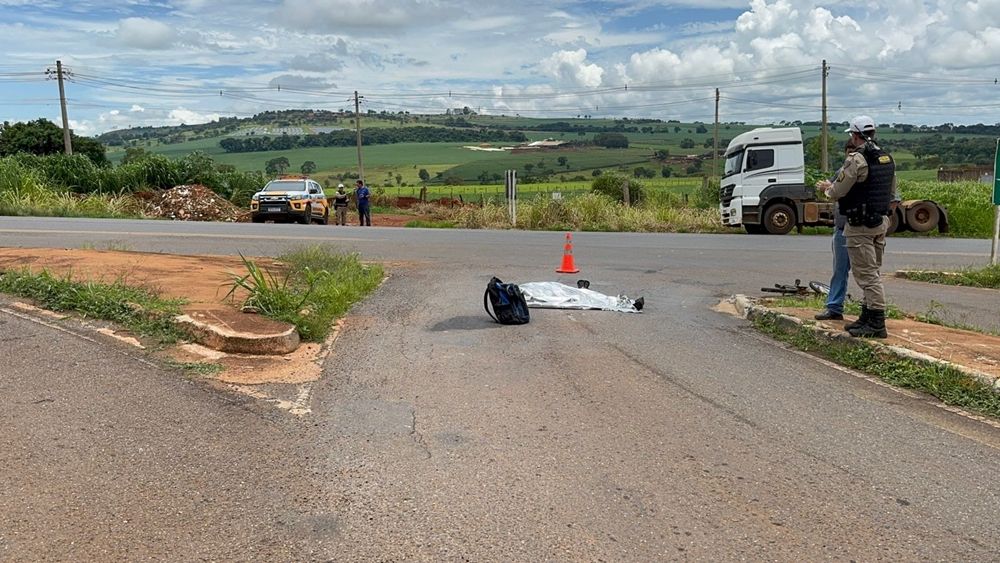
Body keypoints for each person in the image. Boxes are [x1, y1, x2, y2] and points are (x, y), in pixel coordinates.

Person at [816, 115, 896, 338]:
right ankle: (867, 316)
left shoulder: (857, 160)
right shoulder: (886, 159)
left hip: (860, 224)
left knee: (866, 275)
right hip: (880, 222)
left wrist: (827, 190)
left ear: (855, 134)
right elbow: (891, 191)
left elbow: (837, 191)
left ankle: (877, 322)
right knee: (873, 272)